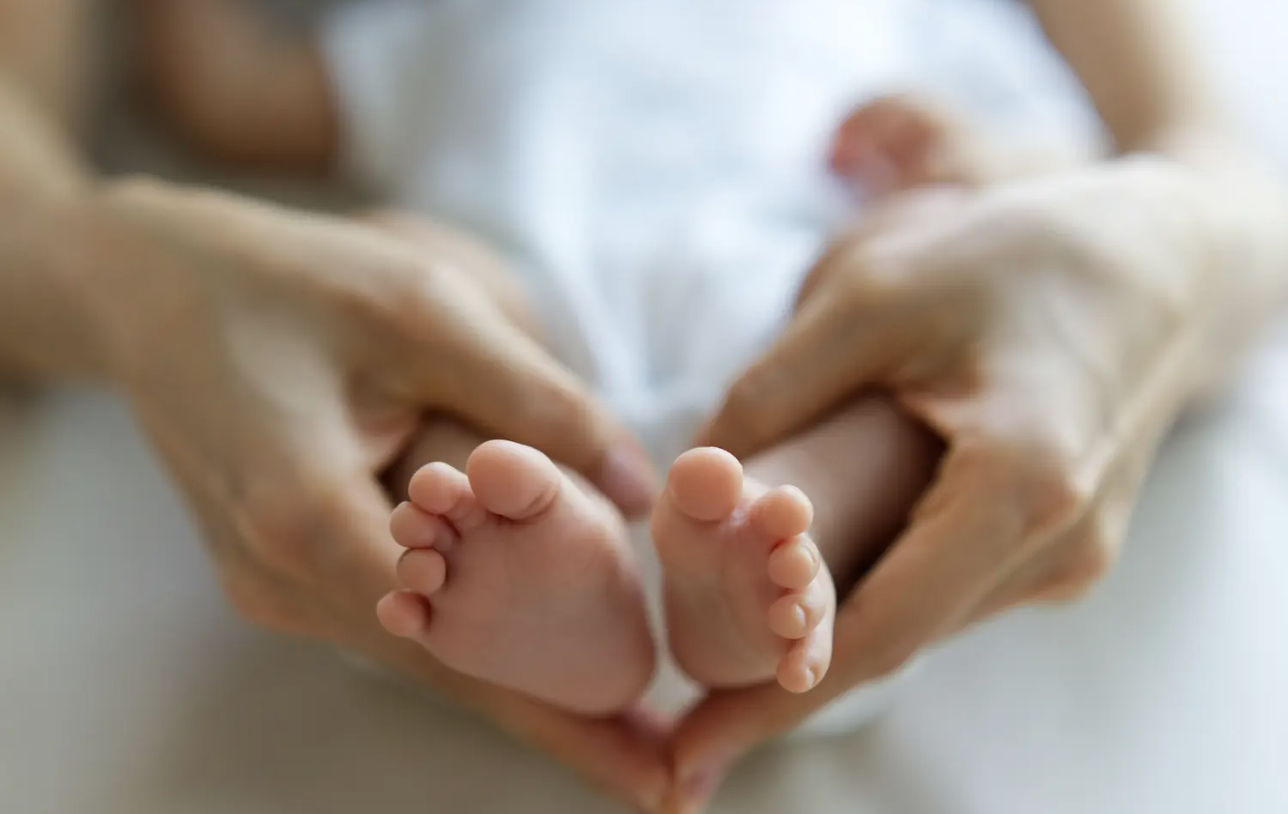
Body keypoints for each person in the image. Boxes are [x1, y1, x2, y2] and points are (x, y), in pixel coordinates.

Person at [2, 3, 1285, 814]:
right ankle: (540, 566)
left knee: (914, 296)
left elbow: (1089, 162)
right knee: (409, 279)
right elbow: (228, 93)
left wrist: (981, 166)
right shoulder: (445, 26)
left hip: (820, 283)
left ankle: (788, 537)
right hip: (496, 314)